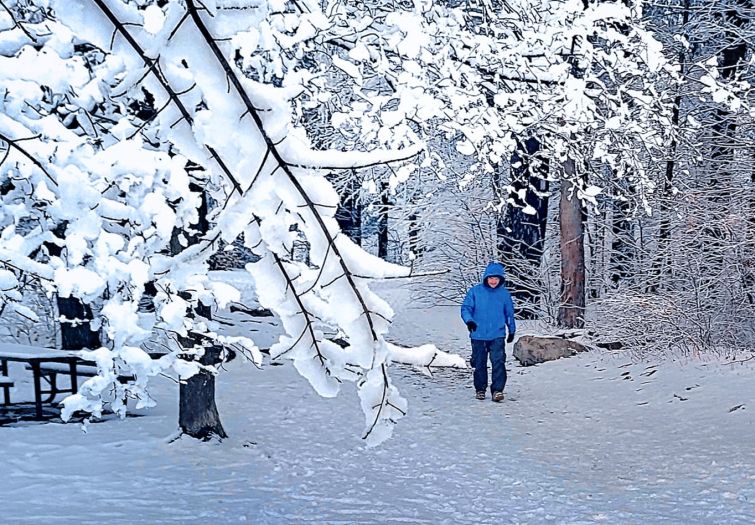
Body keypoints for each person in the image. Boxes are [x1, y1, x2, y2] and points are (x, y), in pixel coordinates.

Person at [460, 261, 516, 402]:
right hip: (478, 334)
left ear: (501, 279)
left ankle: (497, 390)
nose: (493, 281)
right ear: (486, 278)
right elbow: (466, 308)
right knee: (479, 362)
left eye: (496, 278)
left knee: (498, 362)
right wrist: (469, 321)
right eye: (491, 278)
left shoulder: (504, 294)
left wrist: (512, 330)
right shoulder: (475, 292)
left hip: (497, 334)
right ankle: (480, 388)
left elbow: (509, 314)